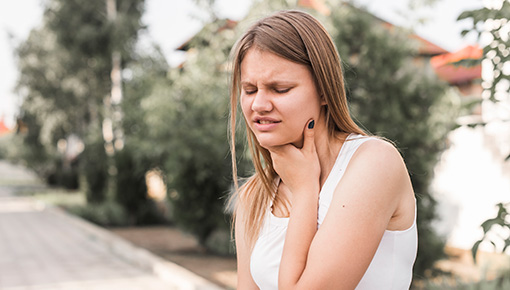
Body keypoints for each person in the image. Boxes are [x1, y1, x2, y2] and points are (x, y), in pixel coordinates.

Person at [229, 10, 417, 290]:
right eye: (250, 89)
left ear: (325, 91)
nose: (259, 105)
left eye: (279, 89)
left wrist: (306, 189)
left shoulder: (374, 164)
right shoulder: (254, 197)